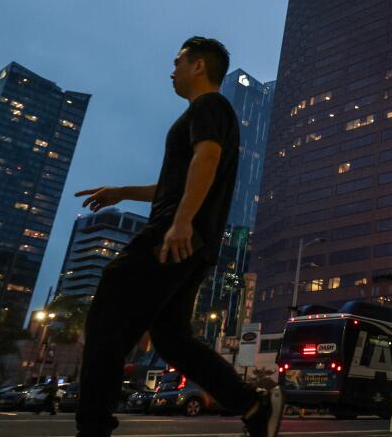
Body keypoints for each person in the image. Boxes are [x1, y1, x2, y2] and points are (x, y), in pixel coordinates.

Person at [73, 37, 281, 437]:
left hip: (176, 235)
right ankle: (255, 407)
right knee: (171, 339)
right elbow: (180, 181)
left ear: (198, 66)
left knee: (110, 306)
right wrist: (122, 192)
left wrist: (181, 221)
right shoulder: (211, 112)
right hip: (193, 242)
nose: (172, 71)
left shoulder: (209, 106)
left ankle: (93, 427)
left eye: (178, 62)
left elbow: (207, 158)